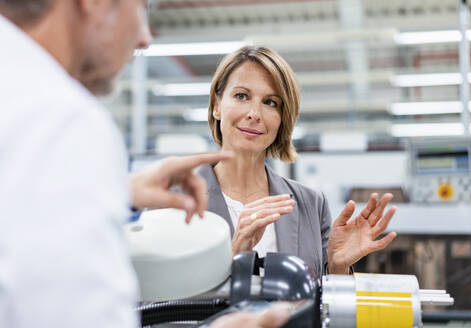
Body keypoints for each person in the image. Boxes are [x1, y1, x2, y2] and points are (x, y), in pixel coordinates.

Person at [0, 1, 288, 327]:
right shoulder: (61, 121)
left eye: (270, 102)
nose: (144, 38)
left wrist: (115, 190)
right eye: (139, 8)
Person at [200, 46, 397, 276]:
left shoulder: (310, 205)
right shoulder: (173, 199)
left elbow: (324, 303)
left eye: (270, 102)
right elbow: (158, 302)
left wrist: (337, 267)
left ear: (282, 118)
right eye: (241, 96)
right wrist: (233, 257)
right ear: (216, 106)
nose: (254, 113)